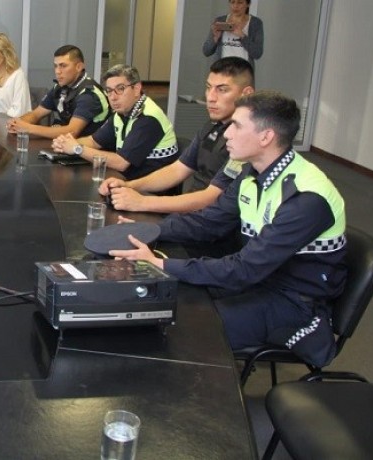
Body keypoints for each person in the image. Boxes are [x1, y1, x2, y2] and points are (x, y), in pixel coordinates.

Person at [110, 91, 346, 368]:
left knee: (180, 328)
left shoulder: (306, 198)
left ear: (266, 137)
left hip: (296, 302)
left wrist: (162, 264)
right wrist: (150, 231)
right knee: (161, 301)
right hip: (261, 282)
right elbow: (209, 221)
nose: (227, 134)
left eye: (236, 125)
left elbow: (244, 269)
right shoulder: (252, 173)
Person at [98, 57, 255, 213]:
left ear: (246, 94)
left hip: (209, 220)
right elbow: (178, 169)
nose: (211, 97)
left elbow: (212, 197)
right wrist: (129, 186)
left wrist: (142, 202)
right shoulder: (212, 126)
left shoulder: (246, 139)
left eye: (222, 90)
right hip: (190, 214)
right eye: (208, 88)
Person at [52, 64, 178, 181]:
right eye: (109, 90)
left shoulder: (148, 118)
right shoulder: (122, 113)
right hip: (127, 180)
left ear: (136, 89)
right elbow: (94, 141)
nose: (113, 97)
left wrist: (77, 148)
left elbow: (121, 163)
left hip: (149, 189)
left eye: (120, 89)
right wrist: (64, 143)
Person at [7, 45, 109, 139]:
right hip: (66, 145)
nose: (57, 71)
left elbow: (72, 131)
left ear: (79, 67)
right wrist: (17, 123)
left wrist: (28, 128)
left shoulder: (90, 94)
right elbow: (36, 114)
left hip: (90, 149)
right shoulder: (60, 87)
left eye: (63, 66)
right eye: (55, 66)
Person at [203, 0, 264, 68]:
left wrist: (242, 35)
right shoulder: (220, 20)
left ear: (248, 4)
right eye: (232, 2)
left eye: (240, 2)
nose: (235, 6)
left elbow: (257, 53)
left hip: (244, 71)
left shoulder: (256, 23)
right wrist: (215, 38)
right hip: (221, 70)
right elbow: (206, 51)